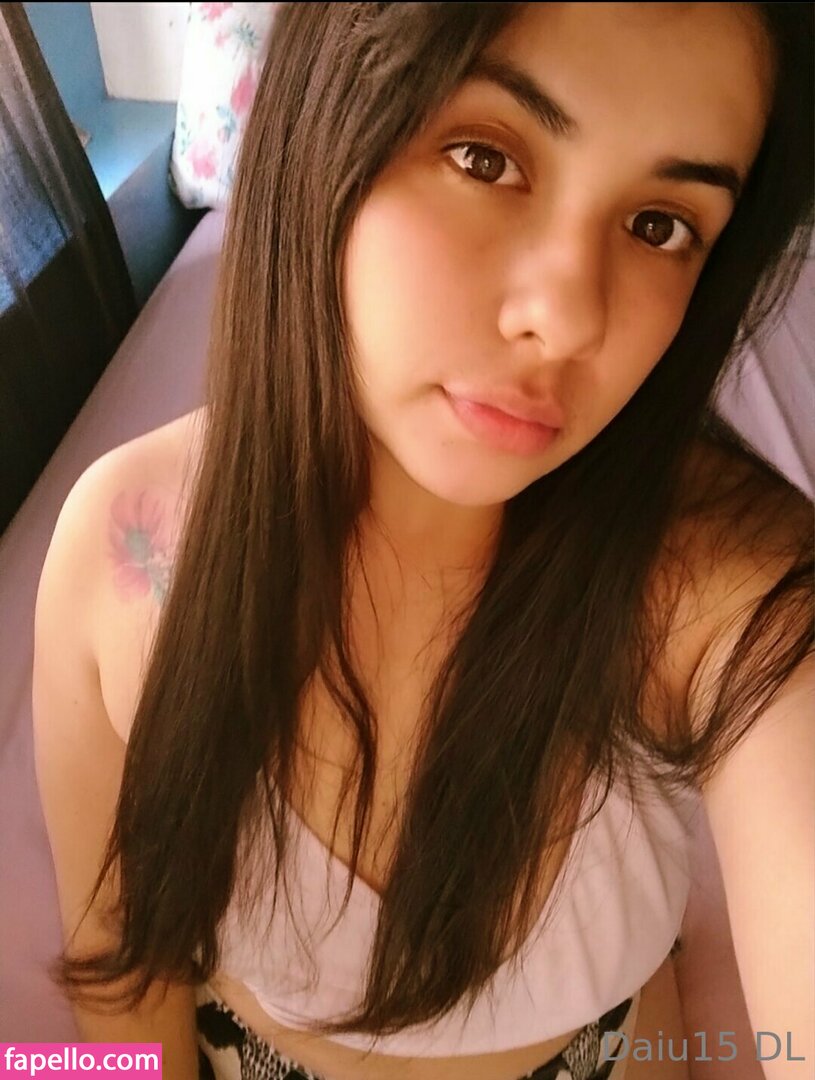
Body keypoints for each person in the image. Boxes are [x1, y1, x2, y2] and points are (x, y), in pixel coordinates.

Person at [32, 3, 813, 1079]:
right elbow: (119, 1003)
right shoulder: (119, 556)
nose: (567, 317)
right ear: (326, 123)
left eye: (658, 225)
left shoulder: (721, 588)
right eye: (484, 158)